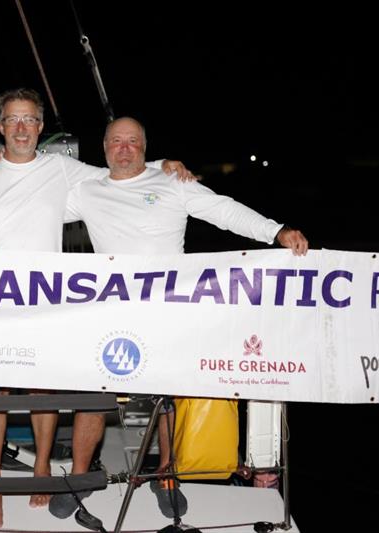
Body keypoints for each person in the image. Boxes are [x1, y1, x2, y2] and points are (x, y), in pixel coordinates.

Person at [0, 89, 193, 528]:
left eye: (30, 120)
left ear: (40, 127)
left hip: (43, 303)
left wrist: (163, 166)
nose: (21, 128)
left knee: (42, 391)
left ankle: (41, 470)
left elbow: (117, 172)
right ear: (1, 127)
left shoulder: (59, 168)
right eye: (13, 120)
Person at [47, 117, 308, 520]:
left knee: (166, 400)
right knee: (92, 400)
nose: (124, 148)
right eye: (117, 141)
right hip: (108, 312)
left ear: (145, 147)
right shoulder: (87, 189)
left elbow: (223, 209)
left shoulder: (171, 182)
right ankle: (81, 477)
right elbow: (33, 212)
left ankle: (166, 476)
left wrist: (276, 232)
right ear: (104, 147)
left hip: (169, 311)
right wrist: (2, 168)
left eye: (133, 141)